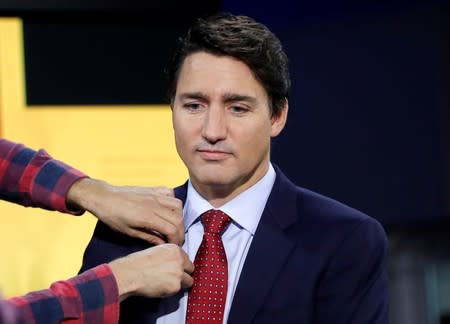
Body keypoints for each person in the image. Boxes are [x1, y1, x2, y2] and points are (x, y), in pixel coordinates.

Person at [80, 13, 389, 323]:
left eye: (237, 108)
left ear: (277, 116)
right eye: (194, 106)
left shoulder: (344, 240)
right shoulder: (122, 233)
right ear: (171, 109)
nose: (212, 131)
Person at [0, 138, 194, 323]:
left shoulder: (125, 214)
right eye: (193, 106)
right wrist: (122, 281)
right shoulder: (115, 239)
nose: (212, 132)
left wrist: (91, 192)